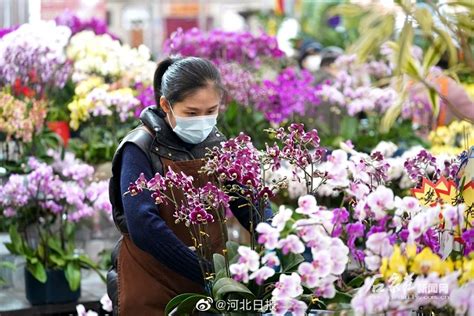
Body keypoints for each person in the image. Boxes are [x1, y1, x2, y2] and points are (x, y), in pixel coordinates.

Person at [106, 56, 270, 315]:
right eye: (191, 113)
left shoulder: (216, 144)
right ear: (166, 105)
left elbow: (248, 200)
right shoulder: (139, 148)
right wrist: (204, 271)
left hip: (210, 281)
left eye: (211, 111)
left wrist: (276, 241)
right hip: (152, 279)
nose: (202, 121)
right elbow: (143, 225)